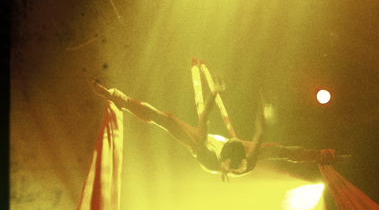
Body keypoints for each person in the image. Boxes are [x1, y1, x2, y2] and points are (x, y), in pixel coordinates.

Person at [91, 72, 346, 181]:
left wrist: (214, 94)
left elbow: (204, 121)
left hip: (209, 151)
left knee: (166, 121)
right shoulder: (248, 159)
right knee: (277, 149)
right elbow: (260, 134)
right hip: (226, 153)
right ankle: (119, 98)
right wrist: (263, 113)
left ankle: (118, 98)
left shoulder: (207, 155)